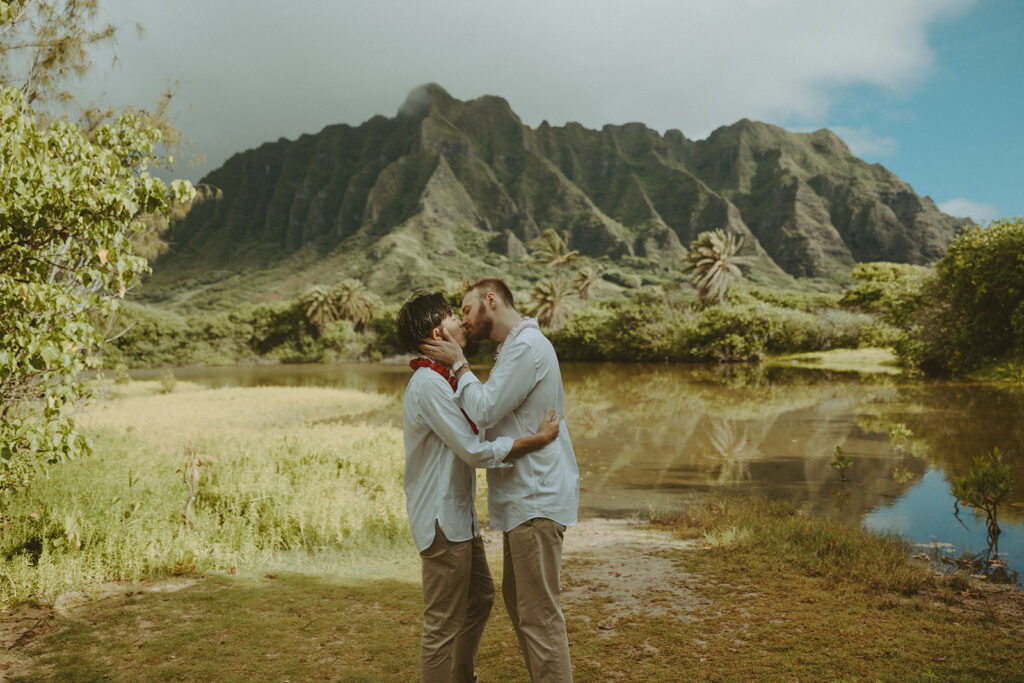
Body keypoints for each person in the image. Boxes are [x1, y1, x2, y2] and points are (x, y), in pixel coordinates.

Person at [397, 290, 561, 683]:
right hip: (441, 518)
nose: (461, 322)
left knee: (480, 598)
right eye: (454, 317)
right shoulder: (429, 384)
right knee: (440, 625)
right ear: (439, 332)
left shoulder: (443, 380)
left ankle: (462, 676)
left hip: (457, 518)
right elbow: (473, 449)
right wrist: (534, 442)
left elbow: (480, 416)